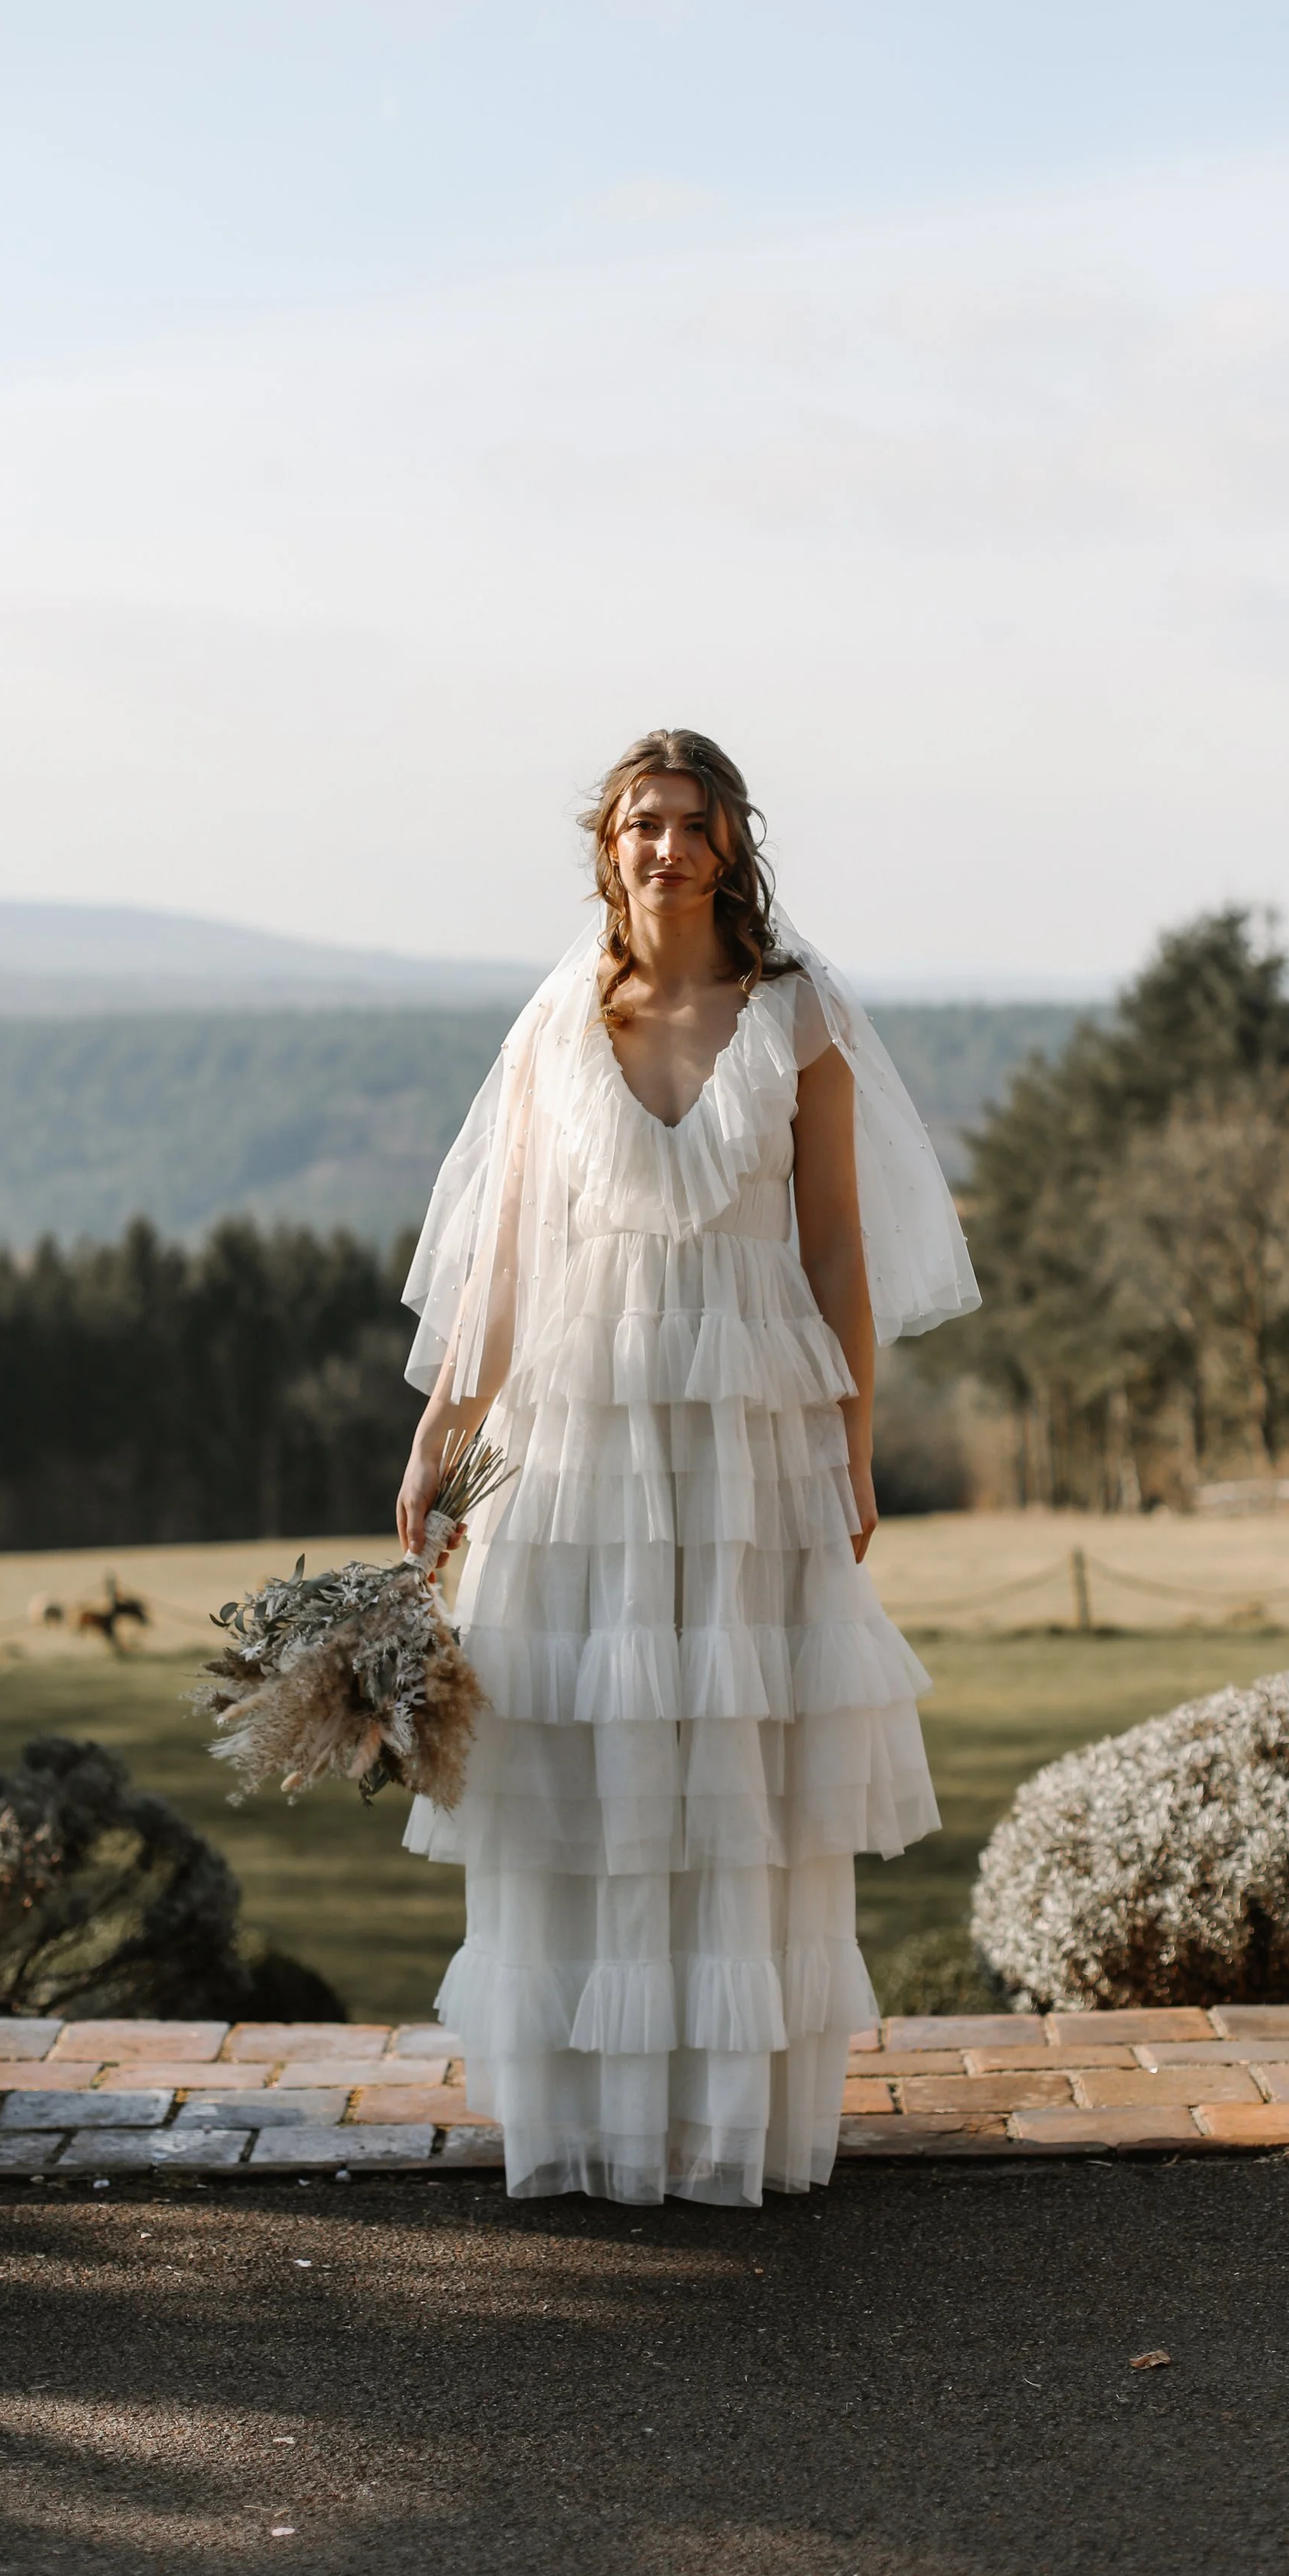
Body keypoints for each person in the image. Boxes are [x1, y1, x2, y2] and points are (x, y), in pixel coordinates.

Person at [395, 728, 979, 2204]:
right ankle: (587, 2130)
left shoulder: (797, 1013)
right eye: (638, 822)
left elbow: (835, 1245)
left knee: (739, 1758)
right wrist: (440, 1438)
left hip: (746, 1426)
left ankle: (732, 2128)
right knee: (583, 1749)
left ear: (729, 844)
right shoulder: (556, 1022)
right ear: (609, 848)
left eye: (688, 821)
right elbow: (505, 1261)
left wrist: (852, 1441)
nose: (662, 846)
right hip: (578, 1433)